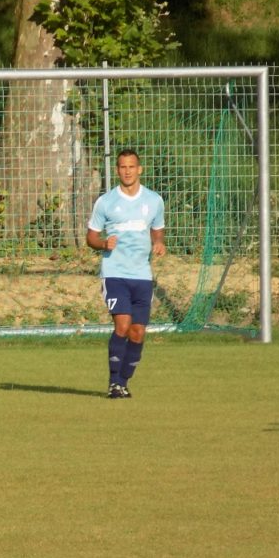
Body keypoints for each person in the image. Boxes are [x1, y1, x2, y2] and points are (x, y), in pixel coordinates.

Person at [85, 148, 166, 399]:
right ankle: (113, 383)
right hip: (115, 273)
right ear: (117, 170)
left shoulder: (154, 200)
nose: (127, 171)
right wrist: (102, 244)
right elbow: (91, 237)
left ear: (139, 169)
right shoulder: (106, 202)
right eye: (122, 167)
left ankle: (124, 382)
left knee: (138, 332)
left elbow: (157, 229)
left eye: (131, 167)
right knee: (123, 325)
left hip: (142, 274)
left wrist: (159, 242)